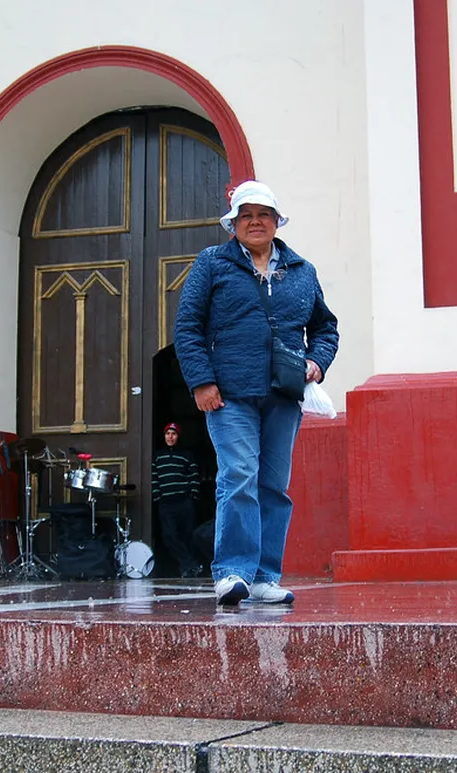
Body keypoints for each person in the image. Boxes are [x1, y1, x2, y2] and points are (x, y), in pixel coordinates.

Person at [174, 180, 339, 605]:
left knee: (273, 485)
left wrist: (317, 363)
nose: (254, 222)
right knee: (239, 476)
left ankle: (265, 576)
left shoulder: (302, 271)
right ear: (233, 224)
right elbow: (187, 327)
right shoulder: (212, 262)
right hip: (229, 394)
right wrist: (201, 381)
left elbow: (325, 327)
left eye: (263, 215)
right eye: (245, 215)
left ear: (276, 222)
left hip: (284, 395)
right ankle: (232, 572)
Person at [150, 422, 203, 578]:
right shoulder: (157, 456)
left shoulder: (186, 454)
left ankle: (188, 568)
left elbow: (193, 475)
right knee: (169, 536)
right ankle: (190, 564)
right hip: (166, 502)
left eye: (173, 434)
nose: (170, 437)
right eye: (168, 433)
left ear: (178, 436)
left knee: (188, 535)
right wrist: (157, 494)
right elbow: (154, 477)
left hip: (184, 501)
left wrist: (193, 494)